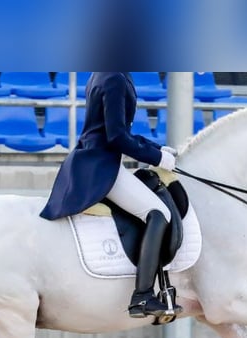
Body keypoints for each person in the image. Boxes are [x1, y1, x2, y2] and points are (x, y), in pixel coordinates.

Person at [40, 72, 180, 318]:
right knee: (159, 213)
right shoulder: (114, 78)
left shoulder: (102, 73)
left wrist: (157, 149)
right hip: (100, 166)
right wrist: (157, 159)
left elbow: (116, 130)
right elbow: (117, 137)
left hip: (96, 158)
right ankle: (143, 297)